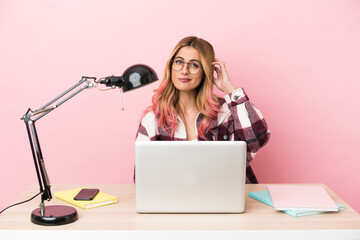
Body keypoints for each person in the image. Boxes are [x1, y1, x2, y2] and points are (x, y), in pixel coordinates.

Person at [136, 36, 270, 183]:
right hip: (174, 202)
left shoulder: (225, 112)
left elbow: (256, 140)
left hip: (224, 199)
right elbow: (143, 178)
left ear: (205, 71)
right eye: (179, 62)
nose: (184, 71)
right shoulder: (152, 119)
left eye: (194, 65)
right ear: (171, 67)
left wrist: (229, 89)